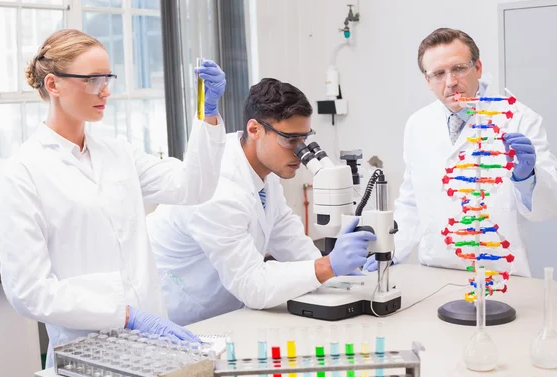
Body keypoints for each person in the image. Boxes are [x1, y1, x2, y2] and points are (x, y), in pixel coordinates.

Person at [0, 29, 227, 371]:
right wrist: (125, 314)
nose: (106, 90)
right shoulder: (22, 173)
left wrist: (208, 112)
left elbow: (192, 187)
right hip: (86, 355)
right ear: (54, 85)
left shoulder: (117, 152)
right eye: (92, 80)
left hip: (155, 347)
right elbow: (30, 292)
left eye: (107, 77)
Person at [145, 78, 376, 326]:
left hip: (223, 314)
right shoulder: (219, 187)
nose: (300, 153)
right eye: (290, 140)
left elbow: (295, 248)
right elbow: (251, 284)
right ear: (255, 130)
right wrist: (329, 265)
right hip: (177, 317)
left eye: (304, 140)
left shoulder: (266, 177)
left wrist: (347, 275)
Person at [363, 28, 557, 277]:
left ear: (477, 69)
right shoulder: (418, 123)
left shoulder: (519, 119)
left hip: (498, 274)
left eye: (458, 69)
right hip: (435, 270)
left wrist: (527, 178)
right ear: (427, 80)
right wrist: (391, 251)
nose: (450, 82)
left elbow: (547, 209)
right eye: (438, 74)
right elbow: (411, 201)